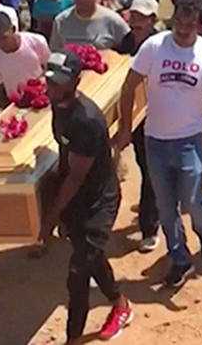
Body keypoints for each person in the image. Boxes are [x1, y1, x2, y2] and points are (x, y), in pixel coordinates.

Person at [118, 0, 202, 289]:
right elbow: (129, 86)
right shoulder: (153, 47)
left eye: (189, 25)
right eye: (179, 23)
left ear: (201, 26)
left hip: (189, 140)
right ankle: (179, 257)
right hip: (155, 140)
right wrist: (125, 127)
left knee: (193, 200)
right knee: (165, 205)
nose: (183, 30)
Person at [39, 51, 133, 343]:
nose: (51, 87)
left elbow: (76, 176)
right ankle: (120, 304)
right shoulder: (59, 106)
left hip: (98, 201)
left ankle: (73, 338)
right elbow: (66, 161)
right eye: (49, 81)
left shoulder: (85, 121)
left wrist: (51, 218)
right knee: (90, 258)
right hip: (76, 199)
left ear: (75, 82)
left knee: (78, 273)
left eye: (58, 82)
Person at [113, 0, 161, 250]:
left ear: (153, 19)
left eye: (141, 18)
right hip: (133, 116)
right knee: (149, 168)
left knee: (151, 170)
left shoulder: (160, 44)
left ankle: (149, 227)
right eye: (133, 17)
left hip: (157, 115)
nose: (135, 22)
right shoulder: (126, 43)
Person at [0, 10, 50, 109]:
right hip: (17, 107)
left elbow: (50, 69)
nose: (1, 44)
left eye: (4, 38)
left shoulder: (37, 42)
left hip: (44, 99)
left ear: (13, 29)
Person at [51, 0, 130, 50]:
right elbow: (55, 52)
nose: (82, 0)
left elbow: (130, 47)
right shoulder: (61, 21)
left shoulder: (113, 20)